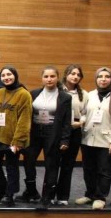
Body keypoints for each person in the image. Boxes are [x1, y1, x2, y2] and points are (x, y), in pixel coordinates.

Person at [76, 67, 111, 210]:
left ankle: (100, 197)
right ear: (96, 79)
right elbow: (83, 112)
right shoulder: (90, 95)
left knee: (104, 170)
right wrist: (82, 120)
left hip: (108, 141)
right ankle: (90, 194)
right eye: (100, 76)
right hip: (88, 139)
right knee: (88, 169)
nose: (103, 79)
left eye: (107, 76)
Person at [20, 66, 72, 208]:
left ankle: (47, 197)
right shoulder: (33, 93)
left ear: (57, 78)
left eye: (52, 76)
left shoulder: (65, 97)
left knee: (51, 165)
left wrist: (65, 139)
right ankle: (31, 191)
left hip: (53, 133)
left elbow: (67, 121)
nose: (49, 79)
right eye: (46, 76)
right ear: (42, 78)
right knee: (28, 161)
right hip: (34, 132)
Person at [0, 66, 31, 207]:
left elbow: (24, 120)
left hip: (13, 139)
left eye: (9, 74)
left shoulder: (24, 94)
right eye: (4, 75)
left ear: (15, 75)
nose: (6, 78)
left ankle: (9, 195)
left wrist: (17, 141)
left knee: (11, 168)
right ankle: (1, 191)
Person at [56, 64, 88, 205]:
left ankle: (62, 197)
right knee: (53, 164)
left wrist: (81, 122)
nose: (75, 77)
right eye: (72, 73)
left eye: (78, 75)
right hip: (58, 130)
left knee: (67, 165)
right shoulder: (56, 90)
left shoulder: (84, 94)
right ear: (66, 74)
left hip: (74, 131)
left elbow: (86, 112)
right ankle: (49, 195)